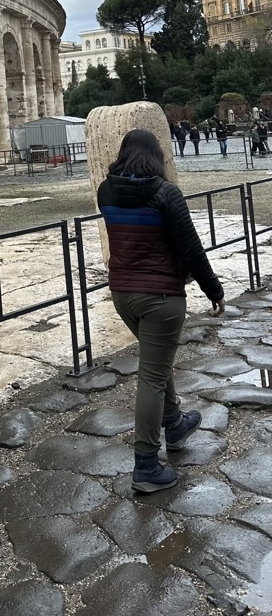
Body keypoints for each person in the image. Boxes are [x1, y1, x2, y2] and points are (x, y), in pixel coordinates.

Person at [98, 129, 225, 494]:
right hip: (161, 296)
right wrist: (213, 290)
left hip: (123, 293)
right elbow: (190, 247)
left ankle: (175, 421)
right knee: (152, 376)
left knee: (157, 364)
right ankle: (146, 464)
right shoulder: (165, 193)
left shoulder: (105, 191)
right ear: (157, 157)